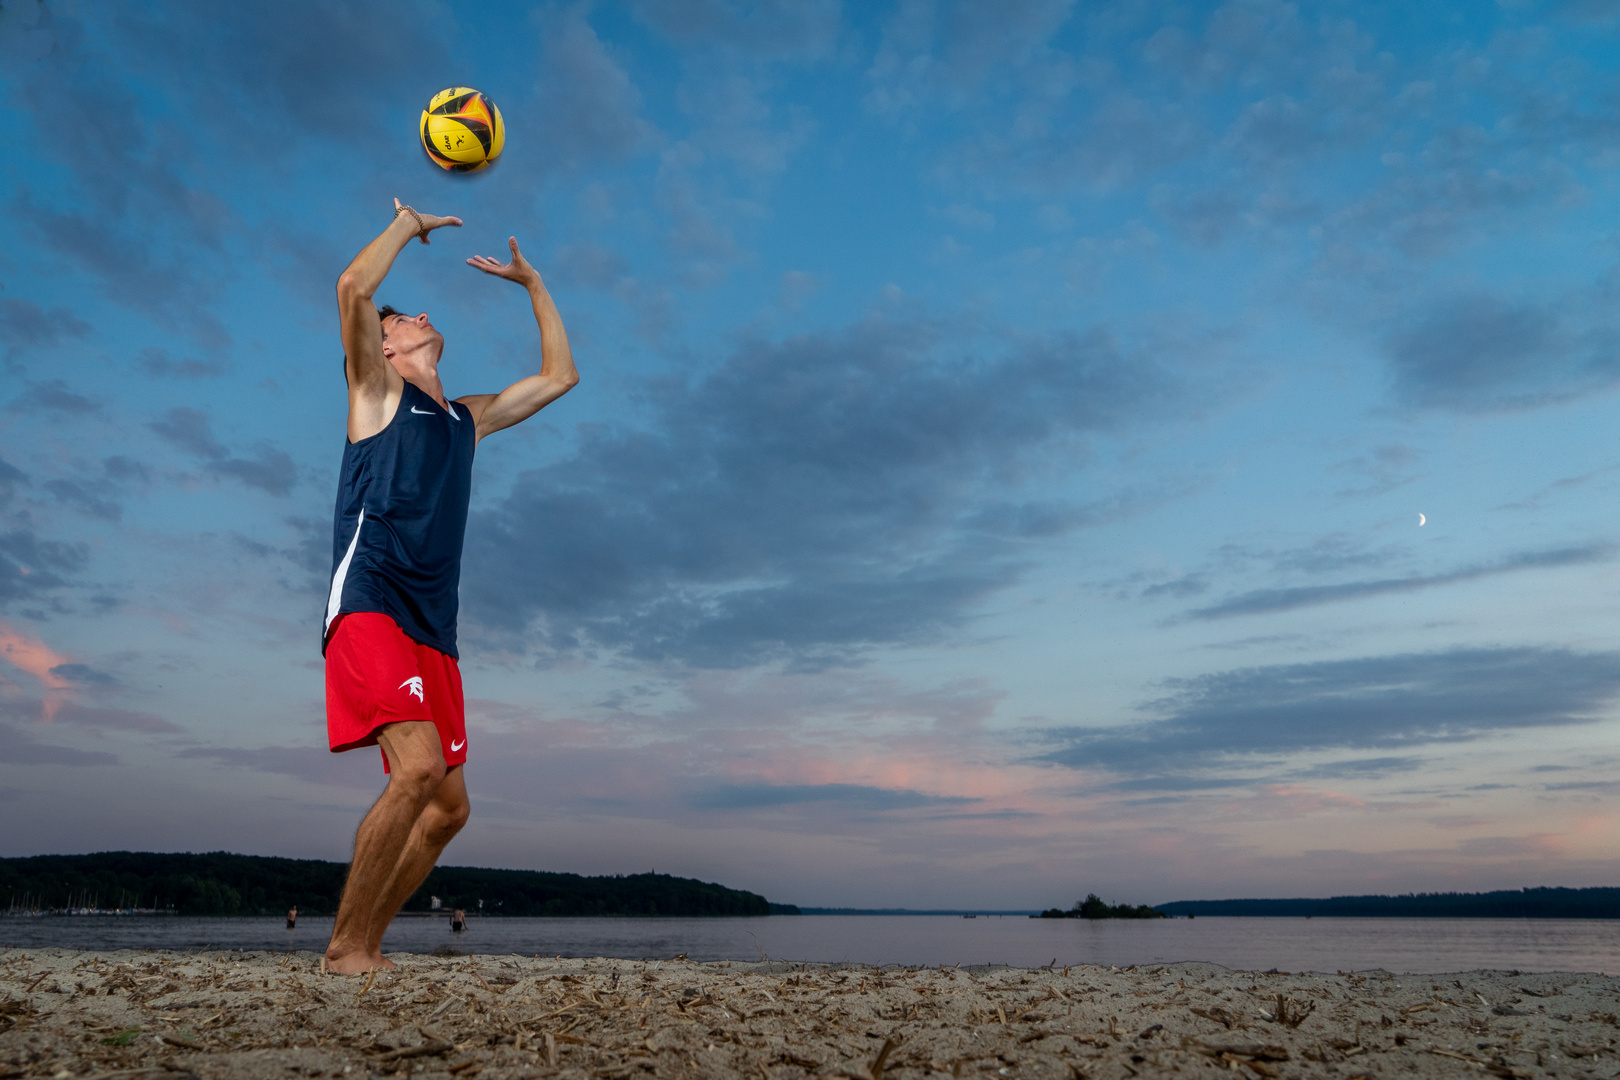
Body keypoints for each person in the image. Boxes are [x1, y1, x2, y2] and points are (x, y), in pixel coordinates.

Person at [321, 199, 578, 974]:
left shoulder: (467, 418)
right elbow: (351, 289)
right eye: (402, 320)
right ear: (386, 350)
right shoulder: (375, 394)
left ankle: (367, 941)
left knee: (448, 810)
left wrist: (533, 286)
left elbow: (561, 375)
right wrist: (407, 226)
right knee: (419, 767)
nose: (416, 316)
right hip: (370, 603)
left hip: (435, 626)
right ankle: (342, 949)